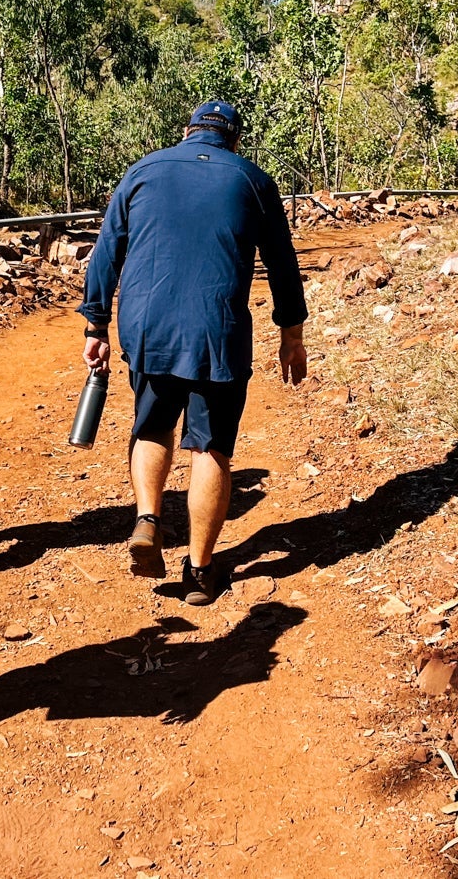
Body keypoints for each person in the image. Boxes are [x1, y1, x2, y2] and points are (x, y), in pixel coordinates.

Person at [78, 101, 308, 606]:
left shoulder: (142, 170)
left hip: (149, 328)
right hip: (216, 332)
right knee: (209, 447)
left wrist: (95, 321)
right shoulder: (252, 180)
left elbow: (107, 248)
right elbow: (282, 263)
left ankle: (148, 518)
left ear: (187, 132)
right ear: (234, 141)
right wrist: (291, 332)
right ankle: (201, 571)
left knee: (152, 425)